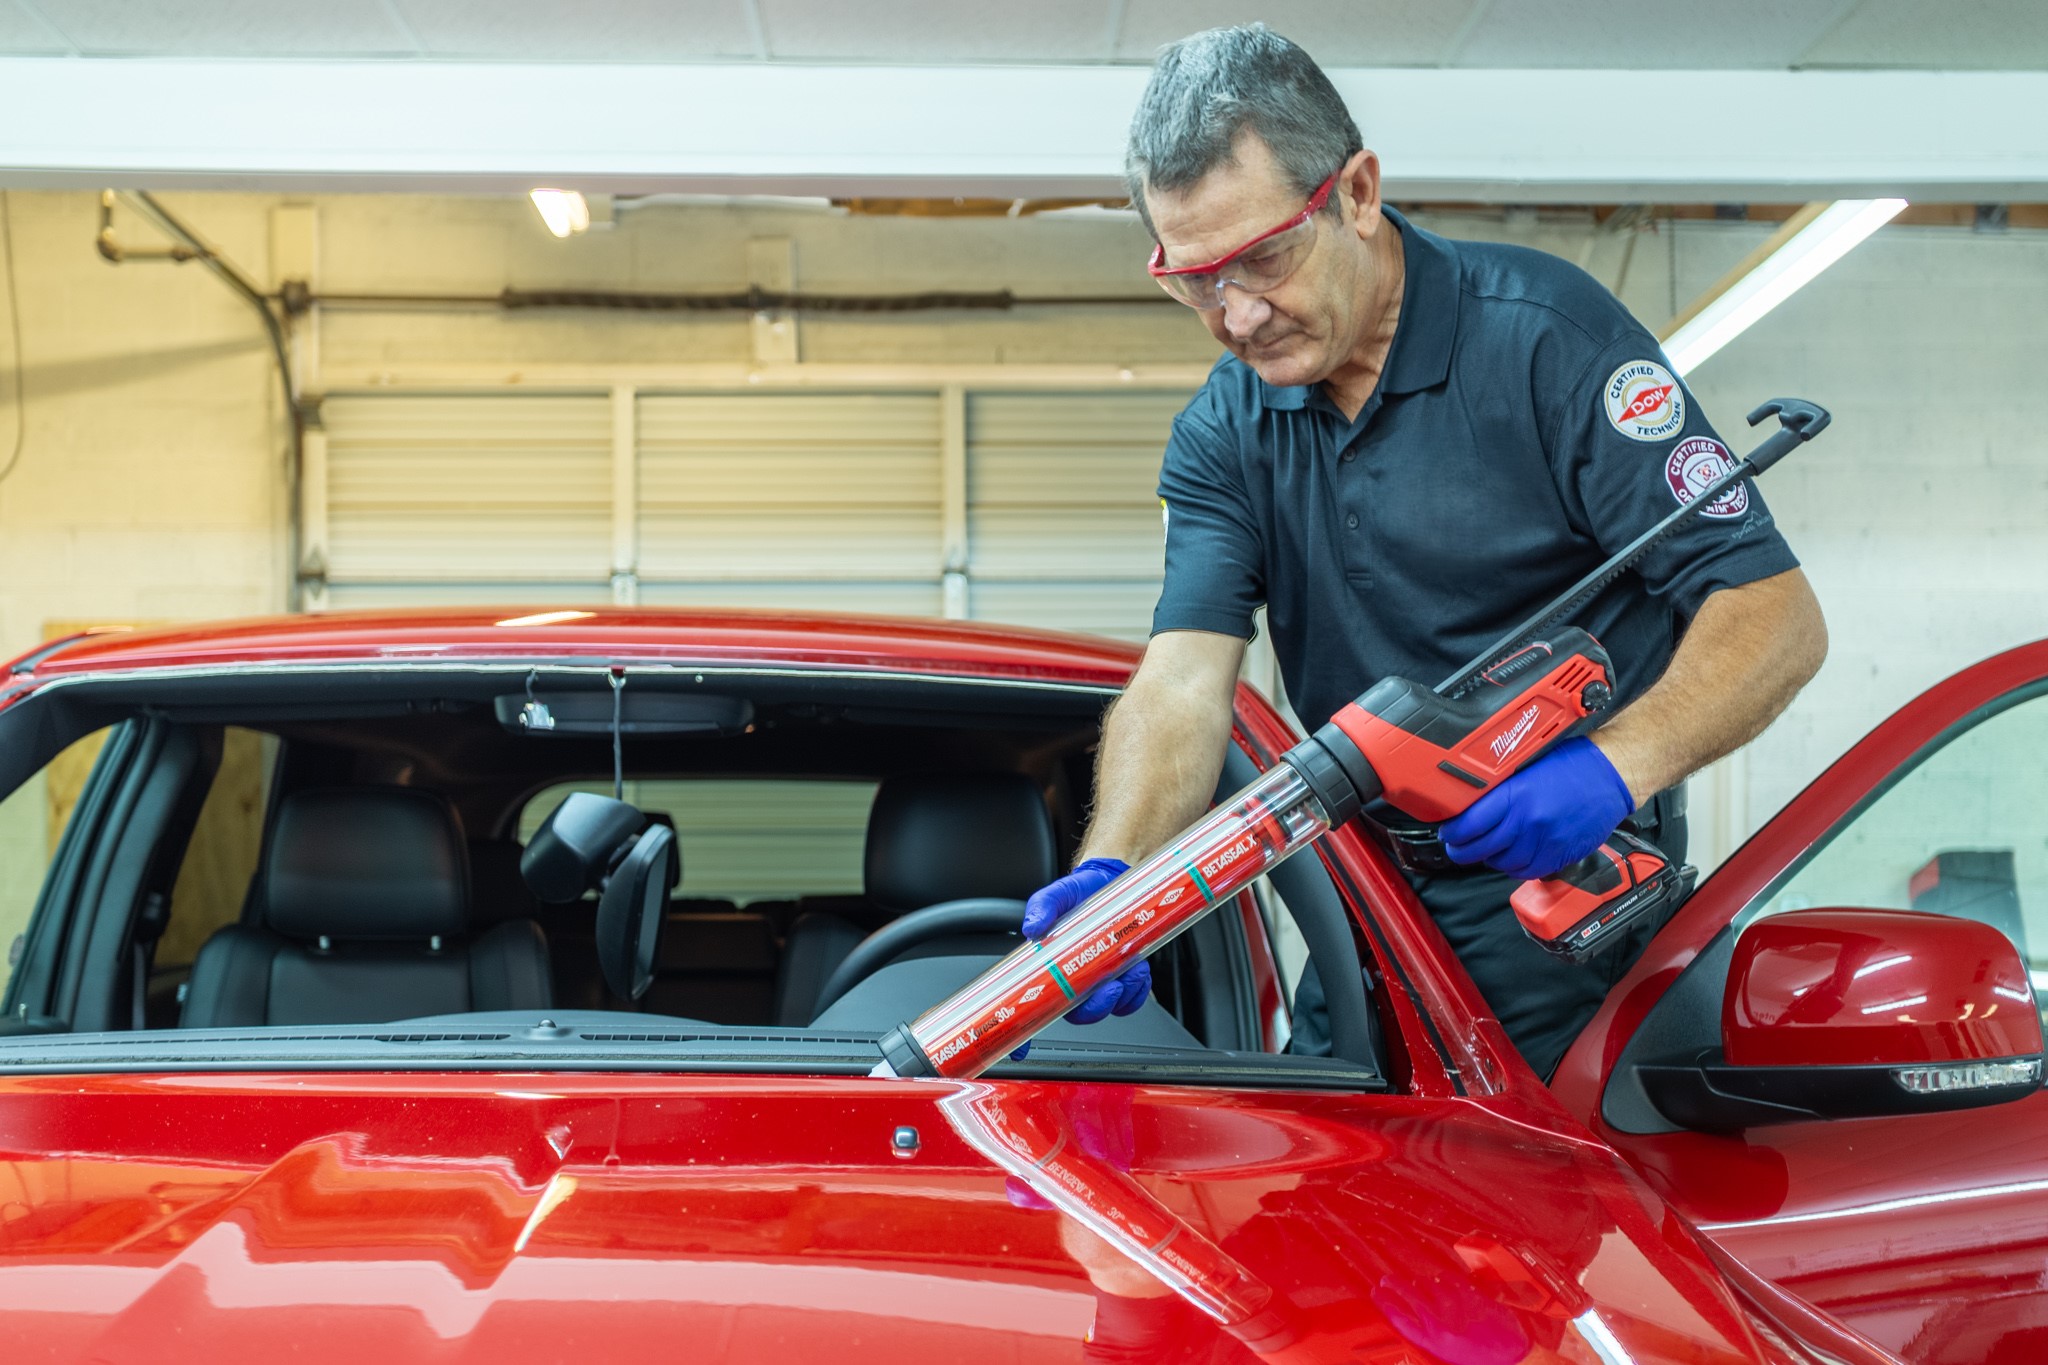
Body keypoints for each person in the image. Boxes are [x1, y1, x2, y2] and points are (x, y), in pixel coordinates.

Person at [1021, 24, 1827, 1078]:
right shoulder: (1226, 429)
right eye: (1195, 279)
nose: (1237, 314)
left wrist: (1612, 766)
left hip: (1571, 911)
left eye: (1262, 258)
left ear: (1356, 192)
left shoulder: (1548, 345)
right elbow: (1181, 680)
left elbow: (1774, 616)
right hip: (1368, 910)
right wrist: (1115, 870)